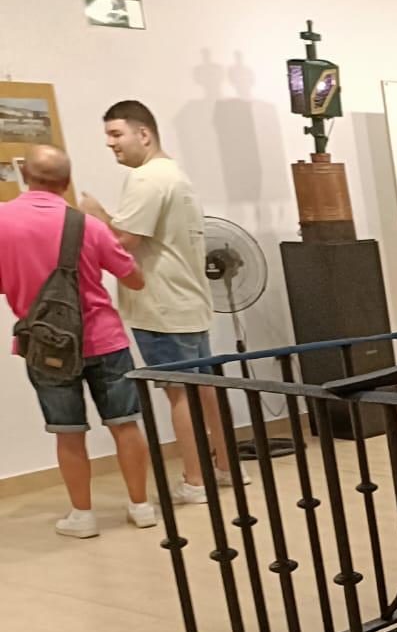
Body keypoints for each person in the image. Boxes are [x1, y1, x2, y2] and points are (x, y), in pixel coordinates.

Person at [81, 99, 237, 504]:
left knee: (179, 392)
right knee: (206, 387)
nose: (110, 143)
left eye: (116, 134)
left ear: (144, 134)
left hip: (162, 306)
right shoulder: (175, 174)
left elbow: (124, 241)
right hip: (188, 300)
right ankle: (225, 468)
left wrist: (96, 214)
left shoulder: (147, 179)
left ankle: (195, 481)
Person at [0, 145, 155, 538]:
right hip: (105, 340)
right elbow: (135, 279)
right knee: (125, 425)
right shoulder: (88, 225)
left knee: (67, 432)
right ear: (67, 181)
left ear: (25, 176)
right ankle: (141, 507)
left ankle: (82, 517)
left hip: (45, 346)